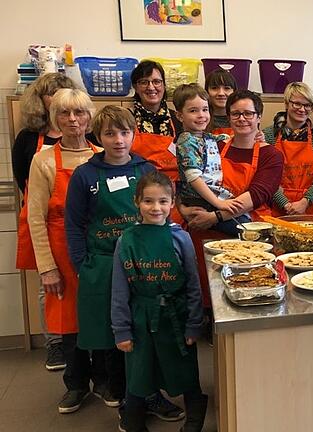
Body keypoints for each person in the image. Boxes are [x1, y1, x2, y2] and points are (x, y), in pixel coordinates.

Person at [64, 104, 184, 422]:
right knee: (118, 336)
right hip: (103, 265)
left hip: (145, 267)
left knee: (148, 331)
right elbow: (74, 225)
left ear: (134, 134)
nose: (118, 140)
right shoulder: (85, 175)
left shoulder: (145, 170)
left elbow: (162, 215)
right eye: (110, 133)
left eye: (125, 132)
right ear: (99, 136)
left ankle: (150, 394)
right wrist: (82, 265)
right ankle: (125, 397)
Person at [112, 171, 208, 432]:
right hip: (140, 319)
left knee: (185, 371)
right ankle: (133, 421)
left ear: (172, 202)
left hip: (176, 318)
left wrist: (193, 324)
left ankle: (195, 420)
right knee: (139, 373)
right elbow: (119, 291)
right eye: (148, 201)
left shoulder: (181, 238)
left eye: (163, 201)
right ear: (136, 202)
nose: (156, 208)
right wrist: (121, 330)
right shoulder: (125, 240)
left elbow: (193, 285)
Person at [27, 88, 98, 413]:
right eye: (65, 114)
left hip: (100, 252)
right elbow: (35, 218)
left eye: (79, 113)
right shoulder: (42, 160)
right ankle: (76, 384)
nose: (73, 120)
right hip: (61, 254)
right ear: (55, 118)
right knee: (70, 325)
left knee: (104, 319)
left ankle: (107, 380)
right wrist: (47, 268)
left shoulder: (102, 153)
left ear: (89, 116)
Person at [179, 89, 283, 308]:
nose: (242, 118)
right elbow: (187, 177)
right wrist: (182, 208)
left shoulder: (270, 155)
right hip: (207, 234)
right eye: (235, 114)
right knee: (208, 290)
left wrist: (215, 216)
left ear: (258, 117)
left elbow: (257, 195)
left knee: (249, 289)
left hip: (251, 235)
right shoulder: (213, 145)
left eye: (248, 113)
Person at [12, 72, 82, 371]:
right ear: (45, 105)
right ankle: (56, 345)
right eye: (59, 106)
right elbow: (22, 182)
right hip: (48, 226)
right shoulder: (31, 142)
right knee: (52, 288)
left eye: (77, 111)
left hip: (82, 235)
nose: (71, 118)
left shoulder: (93, 149)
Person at [174, 83, 247, 235]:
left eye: (205, 110)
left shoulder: (206, 136)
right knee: (245, 229)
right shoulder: (186, 141)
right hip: (201, 201)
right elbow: (194, 178)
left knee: (246, 223)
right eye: (193, 111)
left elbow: (225, 138)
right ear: (180, 116)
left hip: (213, 197)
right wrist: (219, 203)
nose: (201, 115)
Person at [263, 82, 313, 215]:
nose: (302, 109)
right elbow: (265, 176)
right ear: (287, 104)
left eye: (307, 105)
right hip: (278, 206)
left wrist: (305, 201)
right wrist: (285, 204)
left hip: (310, 206)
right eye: (297, 104)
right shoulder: (269, 135)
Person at [129, 60, 183, 183]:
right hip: (138, 187)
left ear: (164, 85)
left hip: (174, 189)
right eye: (144, 82)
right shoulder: (127, 119)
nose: (151, 87)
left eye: (157, 82)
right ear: (136, 87)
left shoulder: (178, 119)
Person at [205, 68, 237, 135]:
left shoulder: (243, 118)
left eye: (227, 88)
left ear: (234, 91)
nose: (221, 93)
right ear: (206, 92)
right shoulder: (201, 119)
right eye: (214, 88)